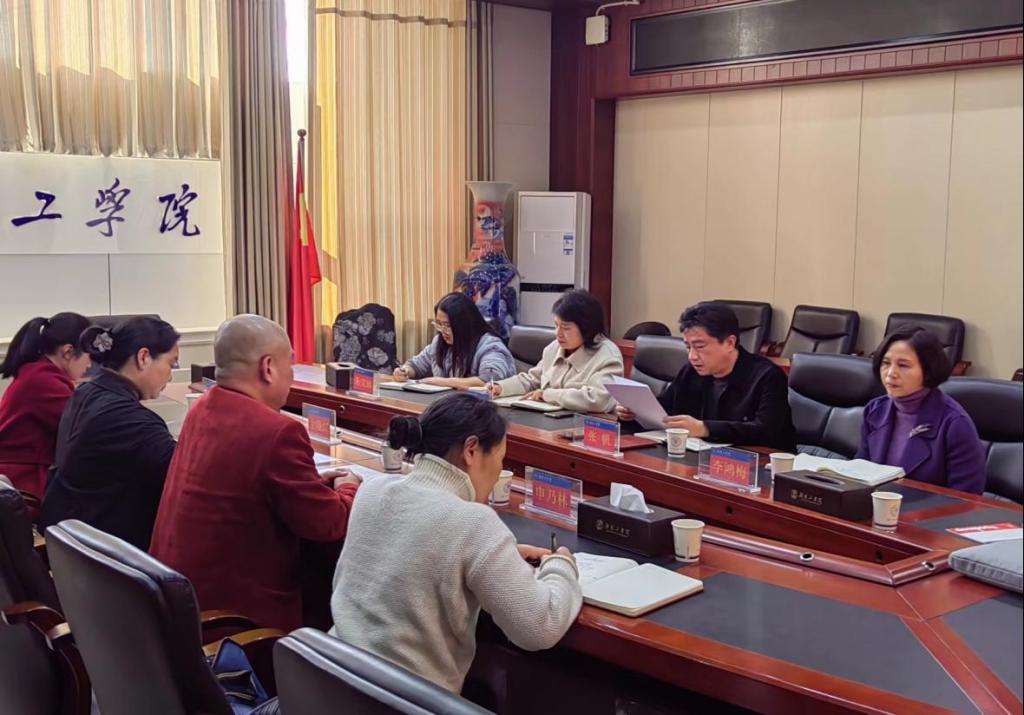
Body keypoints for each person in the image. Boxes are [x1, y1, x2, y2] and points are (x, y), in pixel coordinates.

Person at [330, 392, 581, 694]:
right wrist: (561, 565)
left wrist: (501, 554)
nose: (498, 473)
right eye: (500, 458)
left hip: (331, 684)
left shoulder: (373, 490)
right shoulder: (473, 521)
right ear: (471, 450)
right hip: (405, 701)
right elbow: (540, 626)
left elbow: (418, 543)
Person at [150, 315, 360, 631]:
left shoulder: (201, 408)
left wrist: (313, 485)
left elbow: (242, 484)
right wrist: (348, 487)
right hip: (235, 621)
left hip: (178, 601)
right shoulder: (277, 431)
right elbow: (328, 524)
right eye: (290, 364)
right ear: (268, 368)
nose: (292, 375)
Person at [41, 317, 180, 550]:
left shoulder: (86, 392)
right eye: (171, 364)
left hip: (73, 539)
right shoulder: (131, 420)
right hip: (110, 551)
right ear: (143, 357)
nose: (171, 376)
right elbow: (185, 476)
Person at [617, 302, 796, 450]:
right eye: (688, 347)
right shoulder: (691, 371)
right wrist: (634, 413)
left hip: (759, 464)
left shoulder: (767, 376)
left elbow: (766, 431)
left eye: (700, 347)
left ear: (729, 343)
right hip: (698, 458)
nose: (692, 356)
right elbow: (666, 410)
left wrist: (705, 428)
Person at [858, 326, 985, 494]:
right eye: (886, 363)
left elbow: (967, 497)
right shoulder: (875, 410)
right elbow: (860, 474)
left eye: (903, 365)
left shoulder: (954, 423)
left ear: (927, 370)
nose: (891, 373)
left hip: (931, 510)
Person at [0, 312, 92, 499]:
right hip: (23, 482)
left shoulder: (38, 374)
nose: (90, 365)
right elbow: (86, 427)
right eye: (88, 356)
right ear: (68, 352)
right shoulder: (44, 382)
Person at [488, 289, 623, 412]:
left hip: (583, 425)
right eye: (556, 325)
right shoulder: (553, 348)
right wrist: (501, 387)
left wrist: (548, 395)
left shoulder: (607, 356)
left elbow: (598, 400)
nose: (558, 333)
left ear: (587, 328)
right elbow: (532, 380)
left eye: (566, 328)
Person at [393, 292, 515, 389]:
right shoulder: (439, 342)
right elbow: (416, 365)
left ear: (464, 324)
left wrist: (442, 382)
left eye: (447, 325)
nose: (442, 331)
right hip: (450, 404)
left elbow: (490, 381)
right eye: (439, 324)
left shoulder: (490, 346)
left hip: (482, 408)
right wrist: (405, 371)